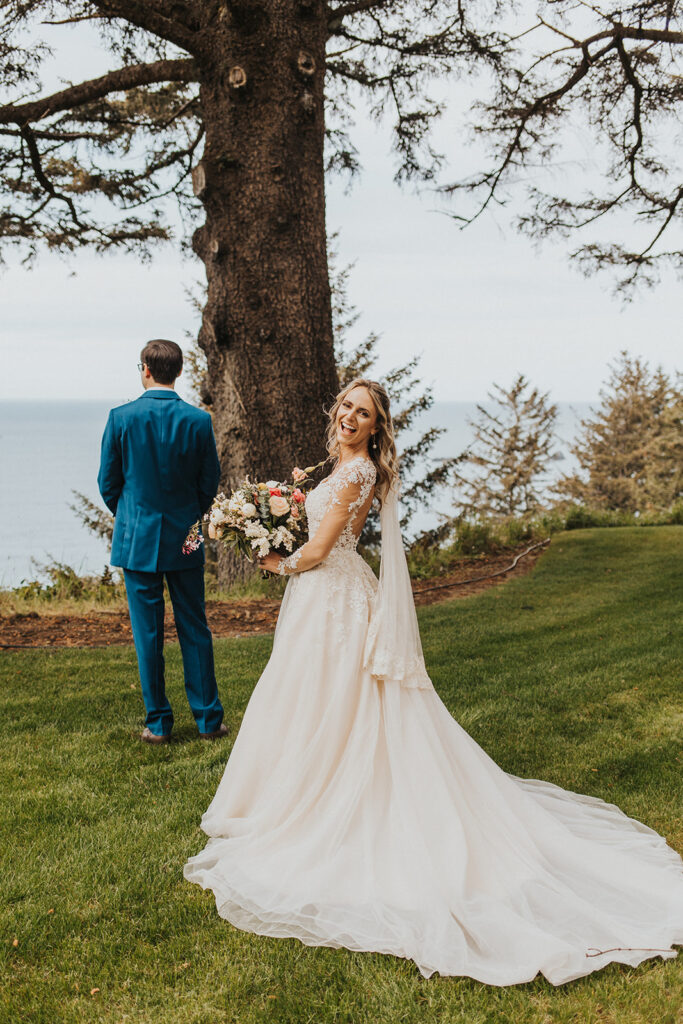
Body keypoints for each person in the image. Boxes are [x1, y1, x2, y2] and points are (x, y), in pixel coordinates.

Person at [183, 377, 683, 985]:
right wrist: (276, 523)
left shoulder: (357, 472)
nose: (349, 416)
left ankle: (319, 801)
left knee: (332, 704)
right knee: (308, 699)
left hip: (331, 596)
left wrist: (273, 559)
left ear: (375, 426)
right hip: (327, 595)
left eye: (362, 413)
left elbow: (317, 551)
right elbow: (331, 539)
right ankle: (287, 792)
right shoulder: (339, 466)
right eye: (346, 406)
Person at [98, 339, 226, 744]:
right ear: (180, 371)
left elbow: (108, 483)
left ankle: (158, 724)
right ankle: (208, 721)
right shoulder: (199, 421)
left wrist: (132, 517)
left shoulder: (121, 418)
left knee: (147, 634)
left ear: (145, 369)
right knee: (195, 627)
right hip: (186, 536)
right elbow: (209, 484)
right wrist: (189, 516)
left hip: (136, 540)